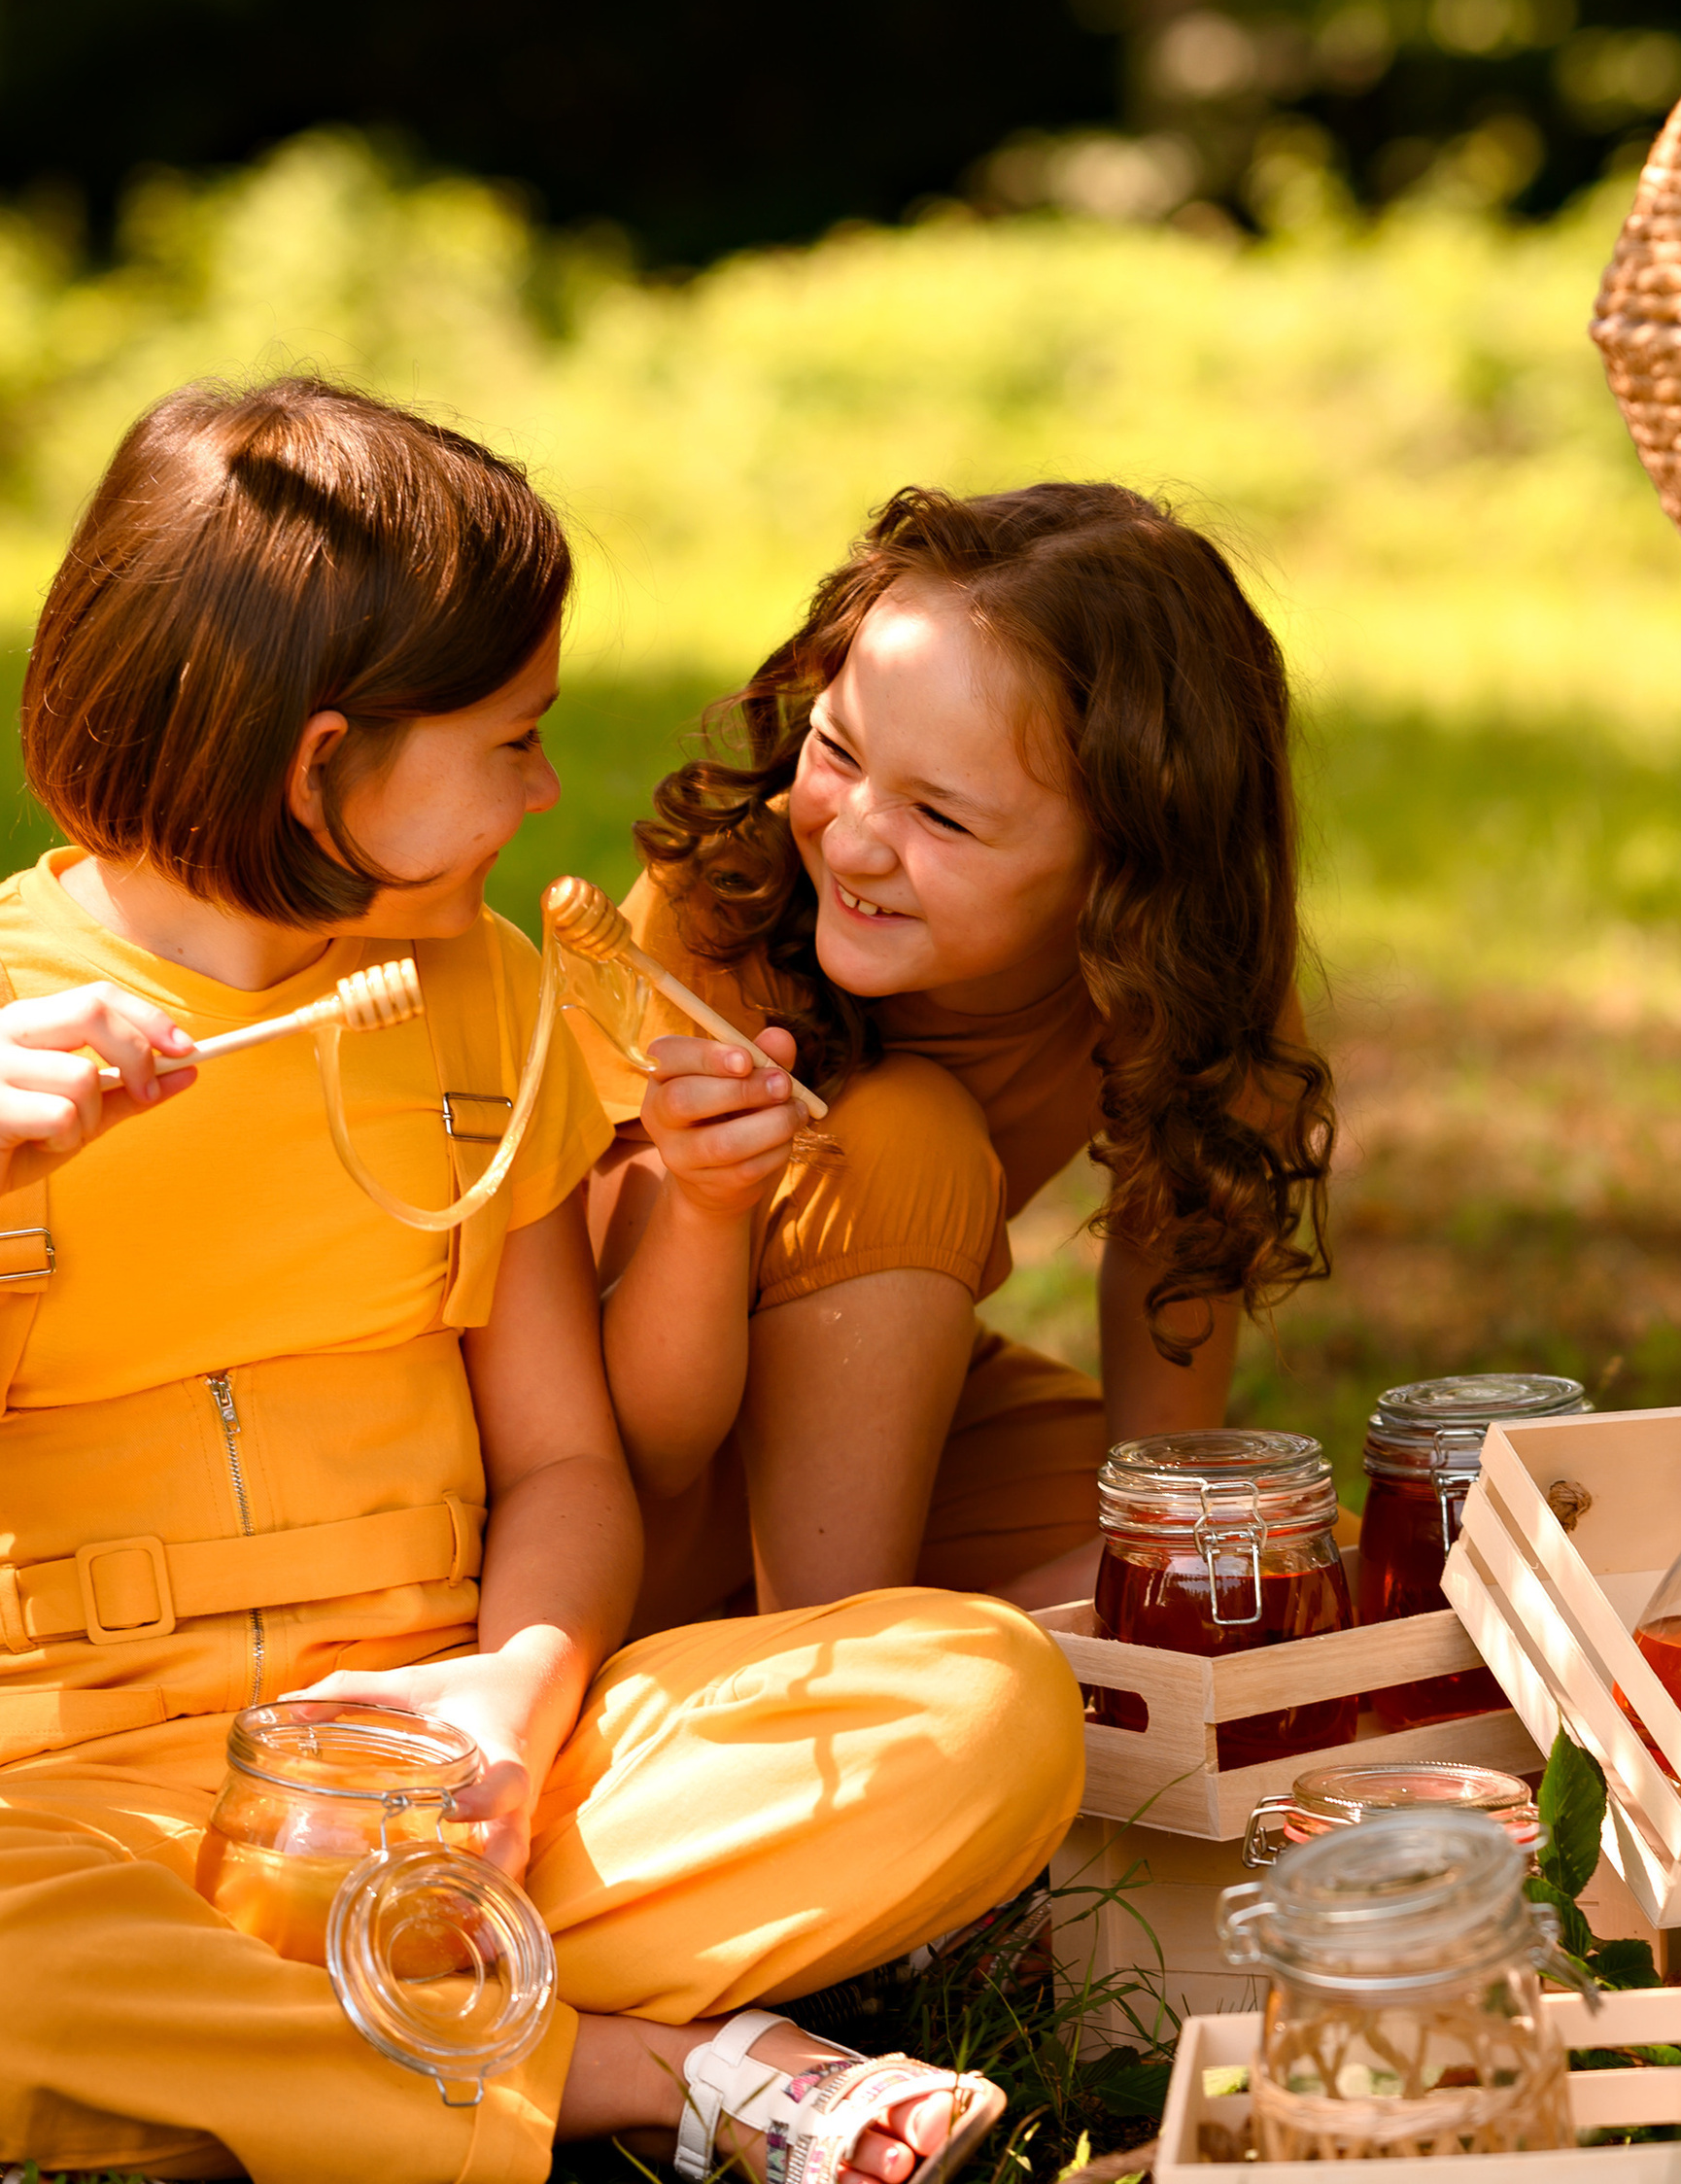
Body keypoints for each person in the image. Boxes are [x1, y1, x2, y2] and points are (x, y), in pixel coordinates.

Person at [0, 380, 1082, 2184]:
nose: (547, 789)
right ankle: (652, 2073)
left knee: (984, 1705)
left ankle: (265, 2053)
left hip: (463, 1793)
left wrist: (515, 1695)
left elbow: (574, 1465)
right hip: (80, 1806)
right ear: (321, 768)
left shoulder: (486, 1003)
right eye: (510, 740)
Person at [585, 481, 1334, 1627]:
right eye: (836, 749)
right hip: (618, 1488)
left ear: (1132, 853)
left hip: (856, 1427)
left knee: (1274, 1555)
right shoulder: (717, 917)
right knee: (904, 1136)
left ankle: (972, 1645)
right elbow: (643, 1434)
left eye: (941, 817)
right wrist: (707, 1202)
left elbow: (1176, 1249)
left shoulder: (1175, 969)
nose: (853, 840)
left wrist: (1153, 1549)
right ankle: (839, 1674)